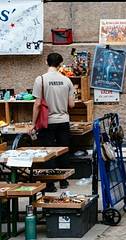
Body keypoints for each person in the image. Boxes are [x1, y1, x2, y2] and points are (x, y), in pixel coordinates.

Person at [32, 52, 75, 192]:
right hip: (63, 120)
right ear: (60, 64)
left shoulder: (40, 80)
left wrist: (33, 123)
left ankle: (50, 185)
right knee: (63, 150)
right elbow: (72, 105)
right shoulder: (67, 81)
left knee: (48, 152)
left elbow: (37, 104)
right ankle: (63, 181)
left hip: (47, 122)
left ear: (46, 62)